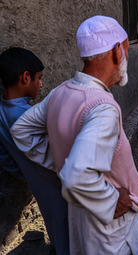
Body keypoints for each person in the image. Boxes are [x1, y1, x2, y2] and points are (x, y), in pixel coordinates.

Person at [10, 16, 138, 255]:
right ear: (117, 52)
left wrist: (58, 160)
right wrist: (112, 200)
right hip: (111, 228)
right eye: (127, 49)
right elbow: (77, 176)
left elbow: (21, 130)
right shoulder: (103, 109)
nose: (128, 55)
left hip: (79, 215)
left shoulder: (60, 93)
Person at [0, 47, 69, 254]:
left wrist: (26, 172)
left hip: (38, 185)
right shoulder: (29, 118)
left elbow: (5, 158)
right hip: (57, 183)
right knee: (69, 228)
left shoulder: (1, 112)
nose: (41, 84)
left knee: (55, 227)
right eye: (39, 78)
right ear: (25, 77)